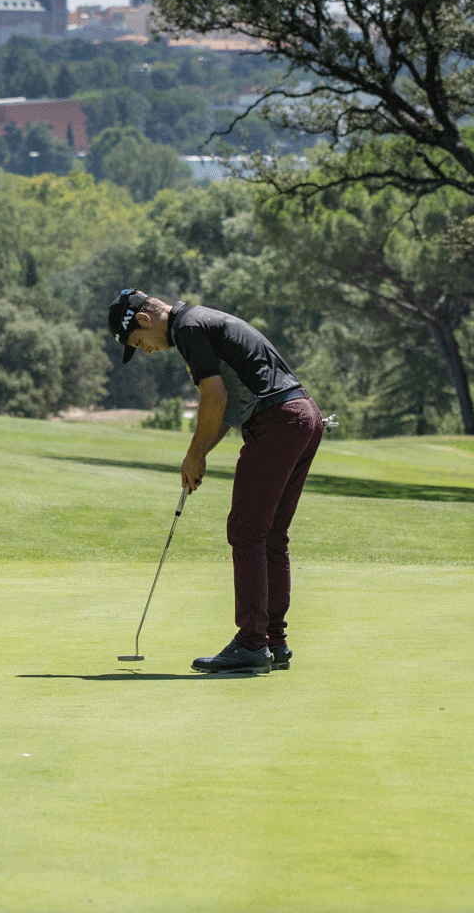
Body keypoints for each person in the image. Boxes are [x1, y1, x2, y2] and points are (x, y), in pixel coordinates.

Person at [107, 288, 324, 674]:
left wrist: (193, 454)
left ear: (143, 320)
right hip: (301, 416)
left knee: (246, 531)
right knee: (269, 534)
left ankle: (252, 644)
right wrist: (200, 453)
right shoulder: (200, 322)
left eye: (139, 342)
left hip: (277, 422)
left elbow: (214, 398)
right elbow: (225, 410)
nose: (146, 350)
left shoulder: (188, 329)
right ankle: (273, 641)